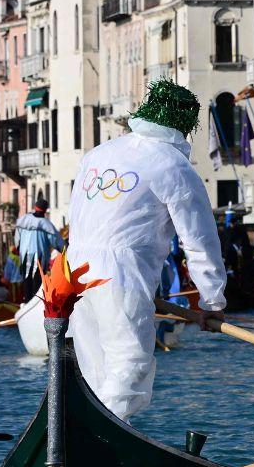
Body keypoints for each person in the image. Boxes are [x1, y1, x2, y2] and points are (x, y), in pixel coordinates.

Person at [67, 80, 227, 421]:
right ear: (185, 126)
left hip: (74, 273)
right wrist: (212, 302)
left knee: (94, 368)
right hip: (120, 276)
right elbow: (199, 240)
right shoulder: (173, 166)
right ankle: (101, 439)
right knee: (130, 365)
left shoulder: (97, 154)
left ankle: (83, 438)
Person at [15, 197, 65, 300]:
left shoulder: (24, 220)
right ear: (45, 210)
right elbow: (57, 242)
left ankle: (27, 303)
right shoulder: (47, 225)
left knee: (27, 283)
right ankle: (34, 303)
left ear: (35, 207)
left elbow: (17, 238)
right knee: (37, 286)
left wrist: (18, 247)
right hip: (40, 259)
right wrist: (65, 250)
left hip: (25, 256)